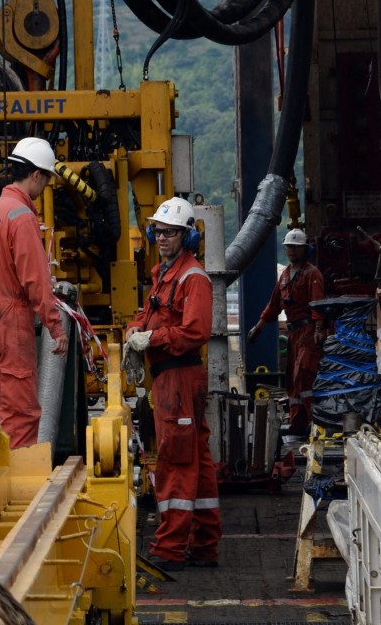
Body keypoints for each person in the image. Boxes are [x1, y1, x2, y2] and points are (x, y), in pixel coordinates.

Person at [125, 196, 221, 572]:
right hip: (171, 378)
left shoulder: (192, 277)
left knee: (177, 461)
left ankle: (170, 547)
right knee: (197, 457)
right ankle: (203, 545)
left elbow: (195, 330)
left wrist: (152, 340)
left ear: (187, 237)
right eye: (158, 231)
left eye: (170, 232)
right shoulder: (164, 274)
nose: (162, 237)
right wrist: (137, 329)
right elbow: (150, 314)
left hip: (179, 377)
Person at [0, 137, 69, 449]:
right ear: (35, 175)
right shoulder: (21, 216)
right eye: (46, 180)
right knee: (20, 415)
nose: (45, 187)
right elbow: (35, 278)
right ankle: (18, 493)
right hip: (11, 323)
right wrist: (55, 325)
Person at [246, 228, 326, 437]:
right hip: (294, 334)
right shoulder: (285, 276)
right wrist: (257, 328)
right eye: (289, 247)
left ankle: (314, 422)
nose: (291, 251)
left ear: (304, 249)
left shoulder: (312, 274)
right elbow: (273, 307)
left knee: (304, 375)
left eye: (296, 247)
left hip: (308, 332)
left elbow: (318, 304)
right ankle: (298, 422)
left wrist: (318, 329)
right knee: (292, 379)